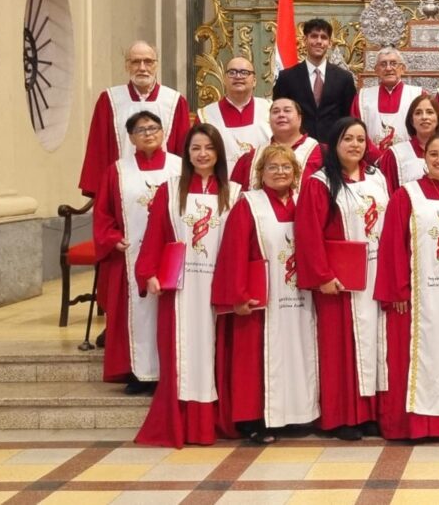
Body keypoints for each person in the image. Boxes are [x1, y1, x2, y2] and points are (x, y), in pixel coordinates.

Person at [133, 124, 239, 447]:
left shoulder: (233, 192)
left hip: (218, 285)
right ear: (186, 153)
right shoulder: (170, 190)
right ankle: (180, 423)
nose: (202, 154)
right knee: (180, 351)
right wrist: (148, 272)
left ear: (218, 152)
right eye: (195, 148)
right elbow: (155, 235)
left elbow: (241, 244)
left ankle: (212, 422)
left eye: (208, 148)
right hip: (179, 287)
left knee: (215, 351)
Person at [374, 135, 439, 440]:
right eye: (433, 154)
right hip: (418, 298)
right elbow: (393, 244)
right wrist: (398, 291)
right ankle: (418, 425)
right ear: (424, 157)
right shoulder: (406, 196)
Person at [212, 145, 319, 444]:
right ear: (260, 173)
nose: (280, 172)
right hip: (262, 298)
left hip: (300, 297)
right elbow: (234, 252)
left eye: (286, 167)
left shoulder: (305, 201)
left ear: (296, 173)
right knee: (256, 359)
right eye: (272, 167)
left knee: (301, 351)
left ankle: (297, 415)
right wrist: (238, 294)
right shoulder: (249, 204)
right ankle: (255, 420)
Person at [296, 118, 391, 441]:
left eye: (360, 139)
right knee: (342, 349)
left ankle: (369, 413)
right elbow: (308, 234)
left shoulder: (377, 178)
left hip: (376, 273)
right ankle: (342, 416)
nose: (355, 145)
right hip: (340, 280)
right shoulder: (319, 182)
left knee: (375, 344)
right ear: (334, 144)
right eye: (347, 139)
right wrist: (322, 275)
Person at [93, 111, 183, 394]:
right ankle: (138, 373)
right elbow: (103, 213)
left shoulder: (179, 167)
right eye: (141, 129)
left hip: (172, 253)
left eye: (153, 127)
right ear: (130, 137)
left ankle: (171, 372)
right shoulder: (117, 171)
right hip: (130, 254)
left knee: (170, 312)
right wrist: (112, 238)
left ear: (164, 131)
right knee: (136, 314)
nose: (148, 133)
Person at [78, 41, 190, 197]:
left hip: (166, 189)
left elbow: (183, 150)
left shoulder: (174, 101)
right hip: (121, 187)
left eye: (148, 62)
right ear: (126, 66)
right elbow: (98, 149)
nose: (142, 67)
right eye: (136, 62)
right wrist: (102, 192)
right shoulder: (110, 100)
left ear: (156, 65)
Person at [272, 18, 357, 142]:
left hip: (334, 147)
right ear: (305, 40)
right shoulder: (287, 77)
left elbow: (349, 117)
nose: (319, 41)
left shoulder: (344, 78)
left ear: (330, 43)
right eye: (314, 36)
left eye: (323, 37)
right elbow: (279, 113)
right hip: (297, 146)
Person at [196, 57, 272, 174]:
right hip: (222, 186)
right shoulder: (205, 115)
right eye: (232, 72)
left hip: (263, 185)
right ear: (224, 79)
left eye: (244, 72)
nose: (238, 76)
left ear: (255, 81)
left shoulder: (270, 109)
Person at [230, 98, 323, 189]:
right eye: (275, 111)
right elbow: (233, 197)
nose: (281, 115)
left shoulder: (322, 153)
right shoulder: (250, 158)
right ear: (269, 120)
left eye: (287, 110)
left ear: (299, 118)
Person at [351, 47, 423, 151]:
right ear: (376, 70)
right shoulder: (362, 98)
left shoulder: (418, 95)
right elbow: (355, 131)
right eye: (383, 64)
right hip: (372, 160)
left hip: (408, 159)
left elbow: (426, 131)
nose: (388, 68)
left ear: (402, 68)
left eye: (393, 63)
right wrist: (375, 156)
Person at [377, 93, 439, 194]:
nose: (424, 117)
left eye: (430, 112)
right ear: (411, 121)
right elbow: (387, 195)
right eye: (418, 113)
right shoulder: (395, 155)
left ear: (438, 119)